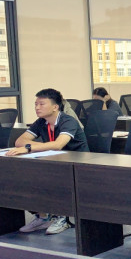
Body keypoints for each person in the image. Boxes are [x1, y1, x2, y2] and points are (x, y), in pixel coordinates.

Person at [8, 88, 89, 235]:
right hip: (55, 161)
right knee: (23, 176)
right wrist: (39, 146)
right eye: (36, 104)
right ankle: (43, 217)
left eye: (42, 104)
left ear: (55, 107)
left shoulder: (68, 121)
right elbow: (19, 141)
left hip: (78, 164)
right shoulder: (41, 122)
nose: (37, 107)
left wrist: (29, 148)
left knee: (47, 177)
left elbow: (58, 145)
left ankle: (62, 218)